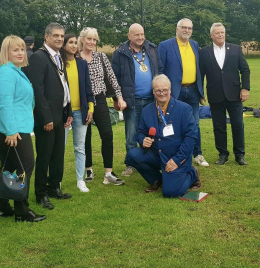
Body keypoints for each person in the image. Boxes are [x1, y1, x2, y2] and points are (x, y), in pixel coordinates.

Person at [0, 35, 46, 223]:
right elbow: (5, 104)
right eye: (16, 50)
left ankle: (2, 207)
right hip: (12, 128)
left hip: (14, 126)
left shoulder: (16, 70)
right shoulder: (6, 73)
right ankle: (22, 211)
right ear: (7, 52)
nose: (21, 53)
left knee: (9, 167)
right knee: (25, 166)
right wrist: (11, 131)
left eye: (22, 49)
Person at [125, 75, 201, 197]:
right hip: (156, 154)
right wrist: (143, 139)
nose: (162, 93)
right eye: (158, 90)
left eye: (165, 90)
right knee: (132, 156)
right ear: (153, 92)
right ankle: (157, 180)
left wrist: (177, 160)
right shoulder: (147, 110)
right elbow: (140, 132)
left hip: (176, 157)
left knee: (171, 192)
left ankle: (192, 173)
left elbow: (191, 137)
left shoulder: (184, 109)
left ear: (170, 90)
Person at [24, 23, 73, 210]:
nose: (60, 39)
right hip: (47, 118)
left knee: (58, 154)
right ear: (46, 37)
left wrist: (68, 110)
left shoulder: (58, 56)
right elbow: (38, 90)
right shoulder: (38, 57)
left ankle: (54, 188)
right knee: (44, 156)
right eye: (56, 36)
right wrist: (46, 118)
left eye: (62, 36)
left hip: (60, 114)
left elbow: (63, 85)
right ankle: (41, 193)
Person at [112, 23, 163, 177]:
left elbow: (159, 70)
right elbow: (115, 78)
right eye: (136, 35)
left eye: (142, 34)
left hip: (152, 100)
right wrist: (116, 98)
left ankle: (152, 159)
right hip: (132, 100)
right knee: (132, 133)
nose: (140, 37)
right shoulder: (120, 53)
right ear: (129, 36)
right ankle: (131, 164)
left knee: (153, 131)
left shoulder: (152, 49)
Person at [79, 27, 126, 185]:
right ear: (82, 40)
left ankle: (108, 173)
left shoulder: (101, 57)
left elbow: (112, 78)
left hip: (99, 100)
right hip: (82, 102)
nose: (92, 42)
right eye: (89, 39)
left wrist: (119, 97)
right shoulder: (75, 58)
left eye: (94, 40)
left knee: (107, 134)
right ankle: (88, 169)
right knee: (85, 137)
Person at [158, 18, 209, 167]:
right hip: (174, 92)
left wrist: (200, 92)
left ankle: (197, 154)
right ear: (177, 29)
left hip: (192, 90)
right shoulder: (165, 45)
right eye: (184, 27)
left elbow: (198, 70)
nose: (187, 30)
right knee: (172, 124)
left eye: (189, 28)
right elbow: (160, 70)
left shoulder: (194, 45)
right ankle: (174, 155)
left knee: (194, 123)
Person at [199, 23, 250, 166]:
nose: (220, 35)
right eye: (217, 33)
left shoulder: (235, 49)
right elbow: (201, 74)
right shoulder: (204, 52)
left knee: (238, 125)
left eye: (222, 32)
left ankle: (239, 155)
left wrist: (245, 88)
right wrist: (201, 93)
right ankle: (222, 154)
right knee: (219, 126)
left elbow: (245, 70)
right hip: (215, 94)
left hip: (234, 95)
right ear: (211, 35)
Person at [61, 34, 95, 192]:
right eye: (70, 42)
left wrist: (91, 108)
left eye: (75, 42)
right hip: (63, 113)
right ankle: (57, 180)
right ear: (64, 45)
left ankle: (80, 180)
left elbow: (88, 87)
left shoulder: (81, 63)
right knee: (60, 147)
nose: (74, 45)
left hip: (80, 111)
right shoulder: (58, 63)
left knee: (80, 147)